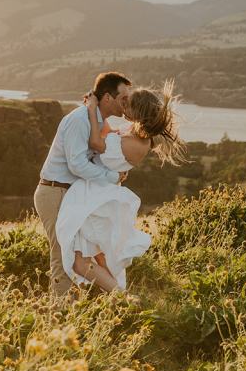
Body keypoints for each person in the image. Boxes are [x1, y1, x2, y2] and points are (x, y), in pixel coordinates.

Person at [56, 80, 187, 292]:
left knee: (82, 260)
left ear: (139, 111)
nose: (124, 106)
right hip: (99, 193)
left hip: (95, 198)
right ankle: (118, 295)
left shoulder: (136, 141)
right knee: (97, 255)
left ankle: (121, 298)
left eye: (128, 103)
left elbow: (97, 143)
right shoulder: (135, 133)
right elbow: (108, 132)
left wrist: (91, 110)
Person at [34, 72, 132, 300]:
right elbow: (77, 163)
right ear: (107, 98)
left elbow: (99, 153)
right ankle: (57, 317)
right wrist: (111, 176)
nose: (127, 103)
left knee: (86, 253)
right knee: (62, 254)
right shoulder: (79, 119)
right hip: (54, 191)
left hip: (72, 196)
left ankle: (109, 300)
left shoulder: (99, 122)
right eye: (124, 98)